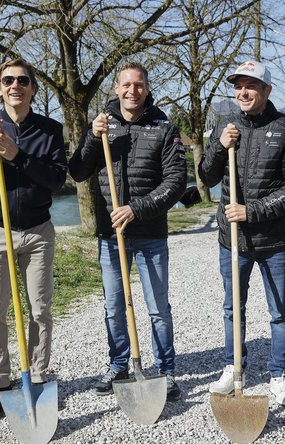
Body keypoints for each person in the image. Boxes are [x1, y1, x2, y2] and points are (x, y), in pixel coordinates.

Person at [69, 62, 187, 401]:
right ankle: (119, 364)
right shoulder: (103, 126)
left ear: (147, 89)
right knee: (113, 306)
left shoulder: (165, 128)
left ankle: (166, 370)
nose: (132, 91)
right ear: (116, 89)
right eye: (126, 85)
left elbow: (176, 183)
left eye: (139, 85)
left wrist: (136, 208)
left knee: (157, 308)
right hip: (110, 235)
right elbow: (77, 171)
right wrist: (93, 138)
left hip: (150, 233)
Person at [198, 60, 285, 406]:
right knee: (234, 308)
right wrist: (218, 145)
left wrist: (252, 211)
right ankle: (234, 368)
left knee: (279, 310)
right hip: (232, 240)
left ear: (267, 91)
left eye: (250, 86)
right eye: (238, 86)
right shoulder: (225, 125)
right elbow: (206, 177)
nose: (243, 92)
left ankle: (279, 374)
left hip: (274, 241)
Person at [0, 58, 68, 420]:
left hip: (38, 231)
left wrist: (16, 156)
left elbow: (56, 181)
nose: (15, 86)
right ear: (0, 87)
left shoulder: (50, 130)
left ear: (33, 89)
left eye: (23, 80)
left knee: (40, 309)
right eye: (8, 80)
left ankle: (36, 377)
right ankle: (0, 384)